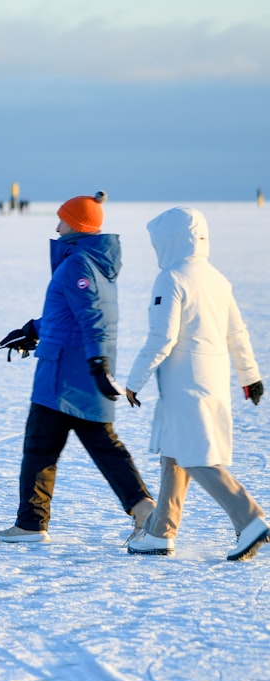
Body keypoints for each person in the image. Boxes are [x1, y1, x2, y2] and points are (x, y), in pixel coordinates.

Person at [0, 192, 156, 543]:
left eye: (62, 219)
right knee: (103, 446)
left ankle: (31, 524)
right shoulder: (91, 262)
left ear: (77, 225)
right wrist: (31, 331)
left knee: (40, 448)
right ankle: (144, 512)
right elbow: (69, 314)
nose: (57, 225)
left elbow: (93, 317)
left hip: (65, 378)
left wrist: (98, 363)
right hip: (73, 373)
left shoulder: (78, 264)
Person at [124, 207, 267, 560]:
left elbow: (161, 338)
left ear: (170, 239)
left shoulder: (172, 278)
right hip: (213, 379)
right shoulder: (217, 279)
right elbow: (237, 332)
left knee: (194, 455)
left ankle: (250, 518)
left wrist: (133, 382)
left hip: (185, 383)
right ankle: (160, 532)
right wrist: (250, 378)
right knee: (175, 452)